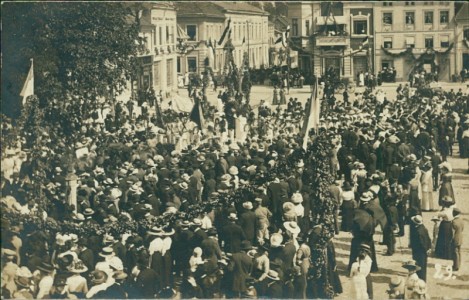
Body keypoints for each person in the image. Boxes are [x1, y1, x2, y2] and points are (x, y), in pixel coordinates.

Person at [409, 215, 431, 281]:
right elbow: (428, 239)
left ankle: (420, 280)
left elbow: (421, 243)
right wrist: (428, 248)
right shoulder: (423, 228)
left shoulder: (418, 231)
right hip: (423, 251)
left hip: (419, 252)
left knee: (419, 266)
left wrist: (425, 249)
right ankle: (423, 280)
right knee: (423, 266)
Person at [451, 208, 464, 273]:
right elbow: (462, 229)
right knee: (459, 251)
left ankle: (455, 266)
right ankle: (459, 264)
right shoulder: (461, 220)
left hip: (455, 237)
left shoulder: (454, 221)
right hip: (460, 237)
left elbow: (452, 231)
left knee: (455, 252)